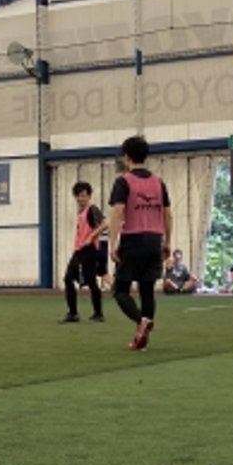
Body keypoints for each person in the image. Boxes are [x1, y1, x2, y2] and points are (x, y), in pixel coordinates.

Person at [108, 136, 172, 351]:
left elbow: (118, 212)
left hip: (133, 239)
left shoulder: (123, 181)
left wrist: (113, 243)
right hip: (154, 240)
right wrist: (167, 241)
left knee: (120, 290)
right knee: (147, 290)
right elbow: (168, 214)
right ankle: (141, 340)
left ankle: (140, 322)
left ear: (126, 156)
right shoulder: (158, 182)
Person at [62, 181, 106, 323]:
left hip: (88, 250)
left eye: (83, 195)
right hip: (79, 250)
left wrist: (91, 236)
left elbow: (105, 223)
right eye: (78, 196)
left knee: (90, 281)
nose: (81, 198)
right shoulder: (82, 212)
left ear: (89, 195)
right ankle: (73, 313)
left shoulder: (92, 209)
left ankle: (97, 313)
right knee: (69, 279)